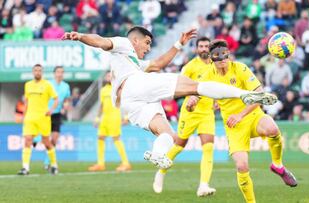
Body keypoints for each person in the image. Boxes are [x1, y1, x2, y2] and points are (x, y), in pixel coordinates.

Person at [62, 26, 277, 170]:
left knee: (168, 135)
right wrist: (80, 37)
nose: (147, 48)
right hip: (135, 85)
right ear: (135, 40)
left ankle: (157, 154)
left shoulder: (133, 62)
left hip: (129, 103)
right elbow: (101, 41)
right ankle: (245, 94)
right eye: (146, 43)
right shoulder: (124, 44)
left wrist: (179, 44)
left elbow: (157, 64)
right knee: (195, 87)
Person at [192, 40, 297, 202]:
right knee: (242, 166)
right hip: (234, 126)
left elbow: (260, 95)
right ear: (212, 59)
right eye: (217, 56)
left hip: (251, 115)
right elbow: (197, 90)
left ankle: (277, 165)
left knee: (273, 129)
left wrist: (240, 114)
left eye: (225, 54)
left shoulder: (240, 68)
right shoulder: (208, 75)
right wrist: (193, 99)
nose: (222, 58)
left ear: (229, 54)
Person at [152, 37, 217, 197]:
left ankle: (203, 185)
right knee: (179, 145)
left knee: (208, 148)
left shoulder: (215, 66)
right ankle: (161, 171)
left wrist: (217, 101)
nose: (203, 49)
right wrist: (191, 96)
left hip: (207, 112)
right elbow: (179, 87)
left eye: (206, 46)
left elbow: (216, 85)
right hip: (191, 112)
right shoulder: (190, 67)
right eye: (200, 46)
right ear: (196, 49)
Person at [18, 64, 59, 175]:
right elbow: (26, 101)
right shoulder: (28, 85)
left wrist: (51, 110)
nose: (37, 72)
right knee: (27, 140)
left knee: (46, 142)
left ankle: (54, 165)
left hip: (43, 118)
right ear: (33, 72)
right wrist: (24, 115)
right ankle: (25, 168)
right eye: (36, 70)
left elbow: (56, 99)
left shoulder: (47, 85)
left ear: (42, 72)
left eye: (39, 70)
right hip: (30, 118)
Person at [88, 71, 131, 172]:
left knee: (116, 139)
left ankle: (126, 163)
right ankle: (100, 164)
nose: (108, 77)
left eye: (110, 75)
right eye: (107, 75)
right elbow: (102, 105)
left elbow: (124, 103)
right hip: (105, 118)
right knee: (100, 137)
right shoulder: (103, 90)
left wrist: (126, 117)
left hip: (114, 117)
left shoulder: (118, 89)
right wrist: (97, 118)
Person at [43, 66, 71, 169]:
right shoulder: (48, 84)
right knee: (45, 139)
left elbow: (67, 99)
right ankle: (48, 162)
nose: (60, 74)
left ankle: (47, 162)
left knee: (54, 139)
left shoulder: (66, 86)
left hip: (57, 114)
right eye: (58, 72)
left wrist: (65, 105)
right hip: (46, 114)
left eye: (62, 72)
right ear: (54, 73)